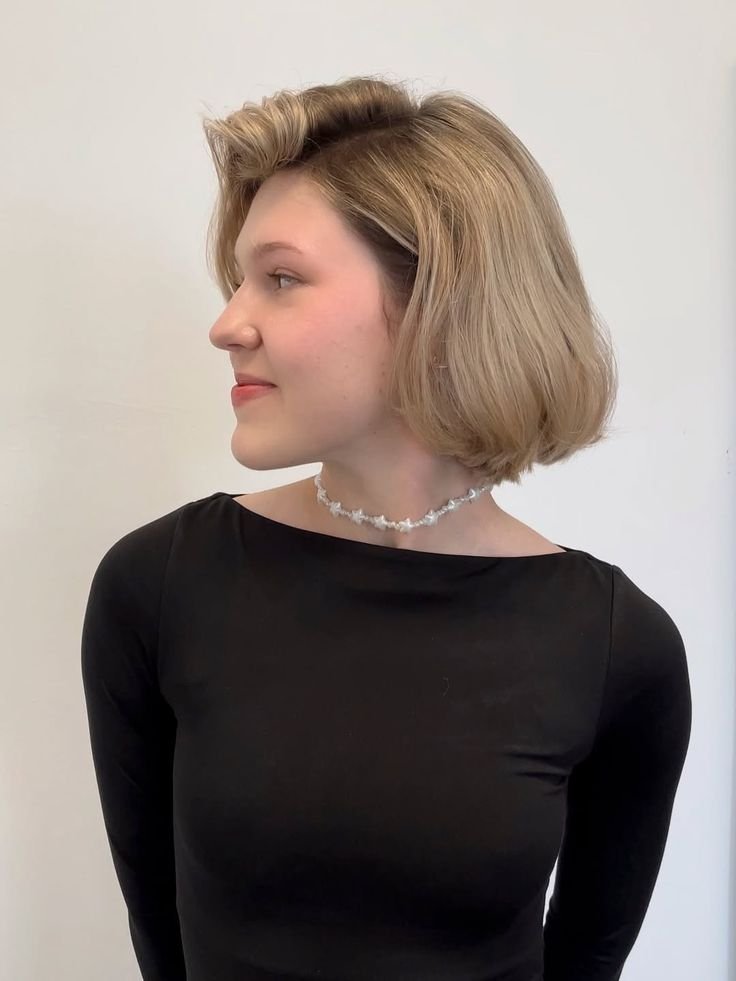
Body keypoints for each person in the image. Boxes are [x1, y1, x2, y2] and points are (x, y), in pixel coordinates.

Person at [81, 75, 692, 981]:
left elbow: (588, 956)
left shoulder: (615, 643)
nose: (227, 324)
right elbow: (159, 929)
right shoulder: (162, 584)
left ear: (440, 300)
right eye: (240, 280)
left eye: (280, 278)